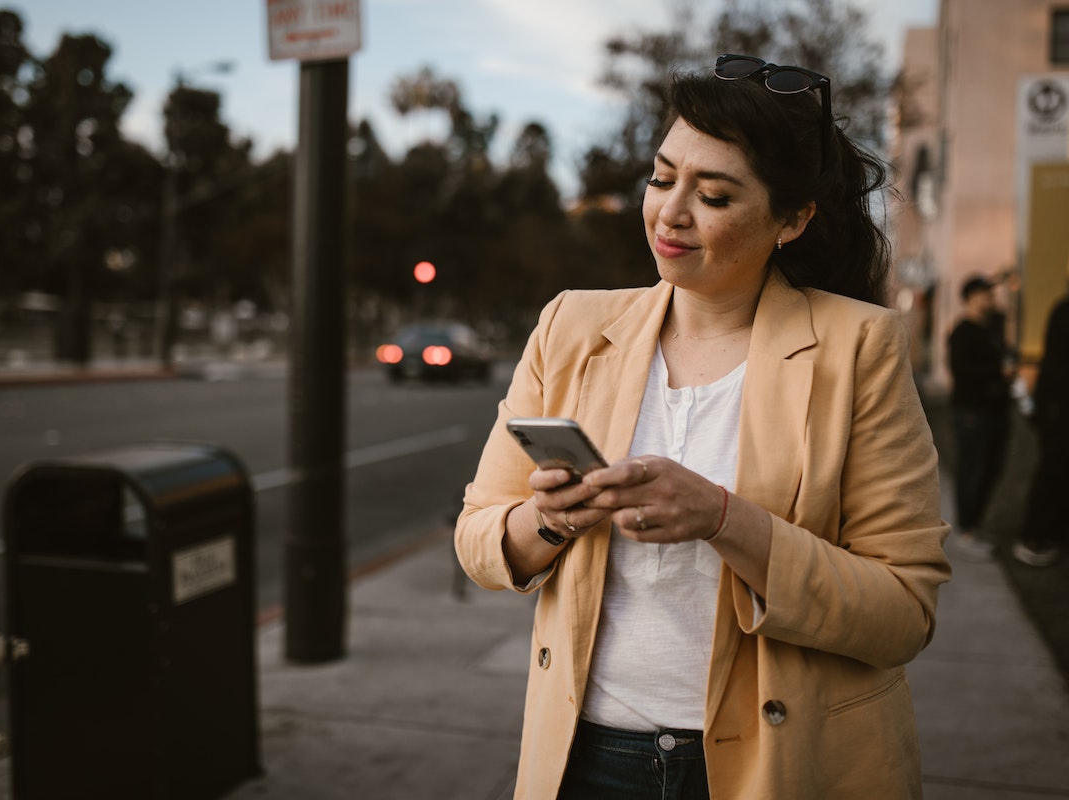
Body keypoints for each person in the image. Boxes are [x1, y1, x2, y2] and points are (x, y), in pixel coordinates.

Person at [455, 54, 950, 800]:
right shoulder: (570, 327)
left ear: (793, 219)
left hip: (779, 766)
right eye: (662, 178)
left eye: (713, 194)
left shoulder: (859, 348)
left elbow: (903, 613)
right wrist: (549, 520)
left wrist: (725, 520)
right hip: (587, 760)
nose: (670, 213)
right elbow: (479, 539)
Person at [946, 275, 1014, 560]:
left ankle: (975, 525)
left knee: (991, 468)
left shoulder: (991, 328)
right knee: (973, 468)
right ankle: (966, 530)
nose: (991, 298)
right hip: (972, 411)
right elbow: (961, 370)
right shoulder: (963, 331)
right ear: (971, 297)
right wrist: (997, 373)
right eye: (986, 294)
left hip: (996, 409)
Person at [1013, 288, 1069, 566]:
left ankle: (1053, 534)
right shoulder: (1063, 311)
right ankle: (1033, 536)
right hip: (1058, 411)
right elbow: (1056, 367)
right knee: (1052, 471)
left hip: (1055, 408)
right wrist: (1049, 409)